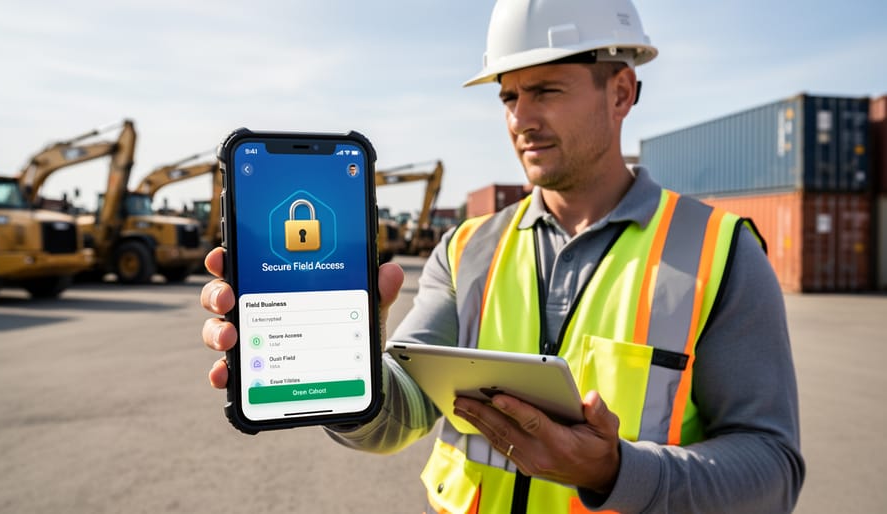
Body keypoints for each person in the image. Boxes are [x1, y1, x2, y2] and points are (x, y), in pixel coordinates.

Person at [201, 0, 805, 512]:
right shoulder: (465, 248)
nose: (520, 118)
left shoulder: (720, 254)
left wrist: (615, 472)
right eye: (508, 95)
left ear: (620, 92)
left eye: (545, 90)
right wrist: (342, 367)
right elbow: (402, 412)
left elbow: (772, 471)